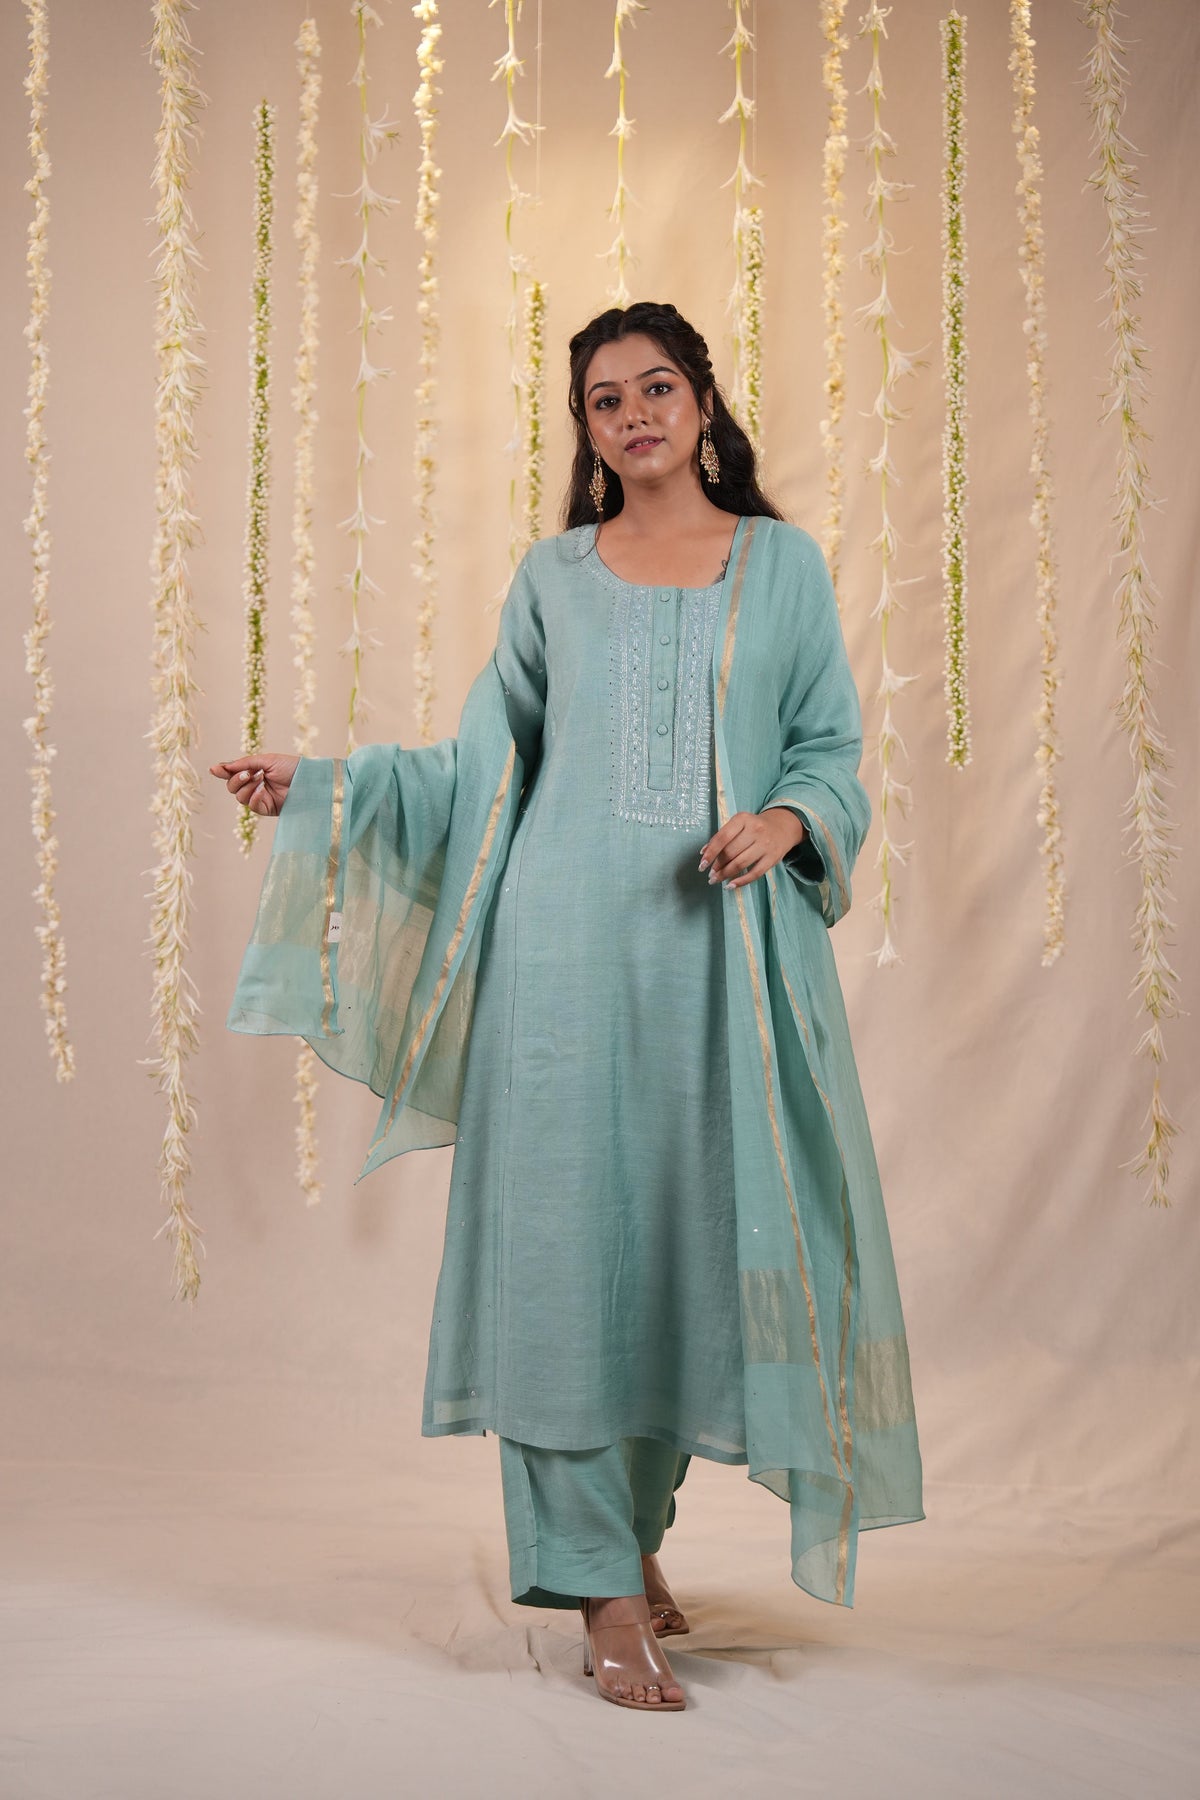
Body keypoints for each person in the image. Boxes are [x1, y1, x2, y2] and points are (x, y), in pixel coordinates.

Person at [212, 300, 924, 1714]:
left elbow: (833, 748)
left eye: (656, 388)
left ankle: (632, 1536)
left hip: (719, 969)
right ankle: (598, 1583)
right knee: (564, 1254)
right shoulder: (552, 579)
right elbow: (484, 766)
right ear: (588, 432)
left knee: (682, 1250)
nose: (634, 415)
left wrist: (789, 818)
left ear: (703, 402)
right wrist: (331, 786)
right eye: (606, 400)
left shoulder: (782, 568)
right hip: (560, 970)